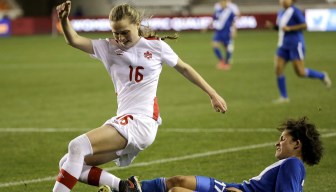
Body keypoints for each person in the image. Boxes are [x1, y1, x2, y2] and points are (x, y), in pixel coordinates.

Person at [53, 1, 227, 192]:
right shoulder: (108, 48)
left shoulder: (156, 47)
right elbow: (74, 40)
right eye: (115, 32)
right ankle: (125, 187)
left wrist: (213, 94)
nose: (120, 37)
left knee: (77, 146)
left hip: (141, 121)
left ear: (137, 24)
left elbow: (184, 68)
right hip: (125, 121)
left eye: (124, 32)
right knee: (68, 161)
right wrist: (64, 19)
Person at [130, 116, 323, 192]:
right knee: (178, 181)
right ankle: (130, 188)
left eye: (283, 139)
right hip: (233, 188)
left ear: (297, 144)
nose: (277, 142)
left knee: (176, 191)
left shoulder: (293, 165)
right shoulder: (292, 166)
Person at [266, 0, 331, 104]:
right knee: (278, 68)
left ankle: (322, 76)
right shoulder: (281, 12)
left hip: (296, 44)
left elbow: (305, 25)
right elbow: (281, 28)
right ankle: (284, 97)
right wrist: (273, 27)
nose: (282, 1)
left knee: (300, 72)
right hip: (282, 45)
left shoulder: (295, 11)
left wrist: (290, 28)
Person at [206, 0, 236, 70]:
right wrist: (208, 26)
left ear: (226, 3)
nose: (222, 3)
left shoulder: (230, 12)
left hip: (226, 32)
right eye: (221, 2)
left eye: (223, 2)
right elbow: (213, 19)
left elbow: (233, 22)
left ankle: (227, 63)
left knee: (227, 48)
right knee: (214, 45)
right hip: (218, 32)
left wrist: (234, 31)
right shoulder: (218, 11)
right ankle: (222, 61)